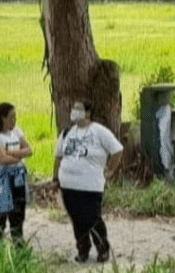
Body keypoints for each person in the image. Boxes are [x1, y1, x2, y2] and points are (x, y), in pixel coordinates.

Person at [53, 98, 123, 263]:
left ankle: (102, 249)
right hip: (69, 184)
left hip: (90, 185)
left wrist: (111, 169)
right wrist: (55, 177)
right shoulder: (67, 133)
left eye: (79, 108)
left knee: (92, 218)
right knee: (76, 219)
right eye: (73, 108)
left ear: (88, 112)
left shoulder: (99, 131)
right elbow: (58, 156)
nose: (74, 111)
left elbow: (117, 150)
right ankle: (83, 249)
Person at [0, 102, 33, 244]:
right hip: (1, 179)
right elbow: (1, 158)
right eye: (11, 116)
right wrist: (18, 156)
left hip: (18, 177)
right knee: (0, 216)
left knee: (18, 212)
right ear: (2, 118)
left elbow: (28, 150)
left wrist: (10, 152)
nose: (14, 119)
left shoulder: (16, 131)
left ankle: (18, 244)